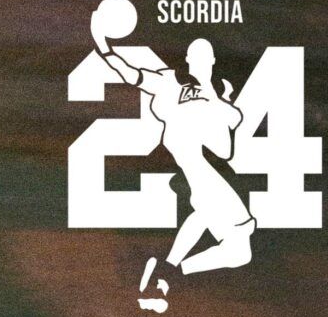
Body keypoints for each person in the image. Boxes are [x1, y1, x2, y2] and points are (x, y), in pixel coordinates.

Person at [88, 15, 255, 300]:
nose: (202, 62)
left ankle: (164, 276)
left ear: (212, 61)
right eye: (197, 56)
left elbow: (227, 141)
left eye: (206, 57)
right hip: (201, 174)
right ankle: (168, 274)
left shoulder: (212, 94)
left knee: (212, 225)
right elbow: (132, 74)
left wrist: (216, 97)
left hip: (203, 176)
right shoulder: (170, 84)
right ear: (188, 60)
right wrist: (104, 48)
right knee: (238, 250)